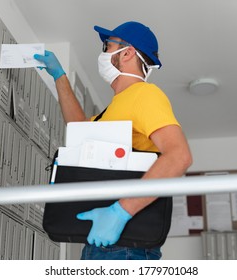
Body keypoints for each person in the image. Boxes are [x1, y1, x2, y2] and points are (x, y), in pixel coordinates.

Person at [34, 21, 192, 260]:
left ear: (127, 52)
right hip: (104, 243)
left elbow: (179, 156)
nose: (103, 53)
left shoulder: (145, 95)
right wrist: (59, 76)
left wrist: (119, 213)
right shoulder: (118, 106)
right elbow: (79, 129)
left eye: (107, 46)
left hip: (126, 246)